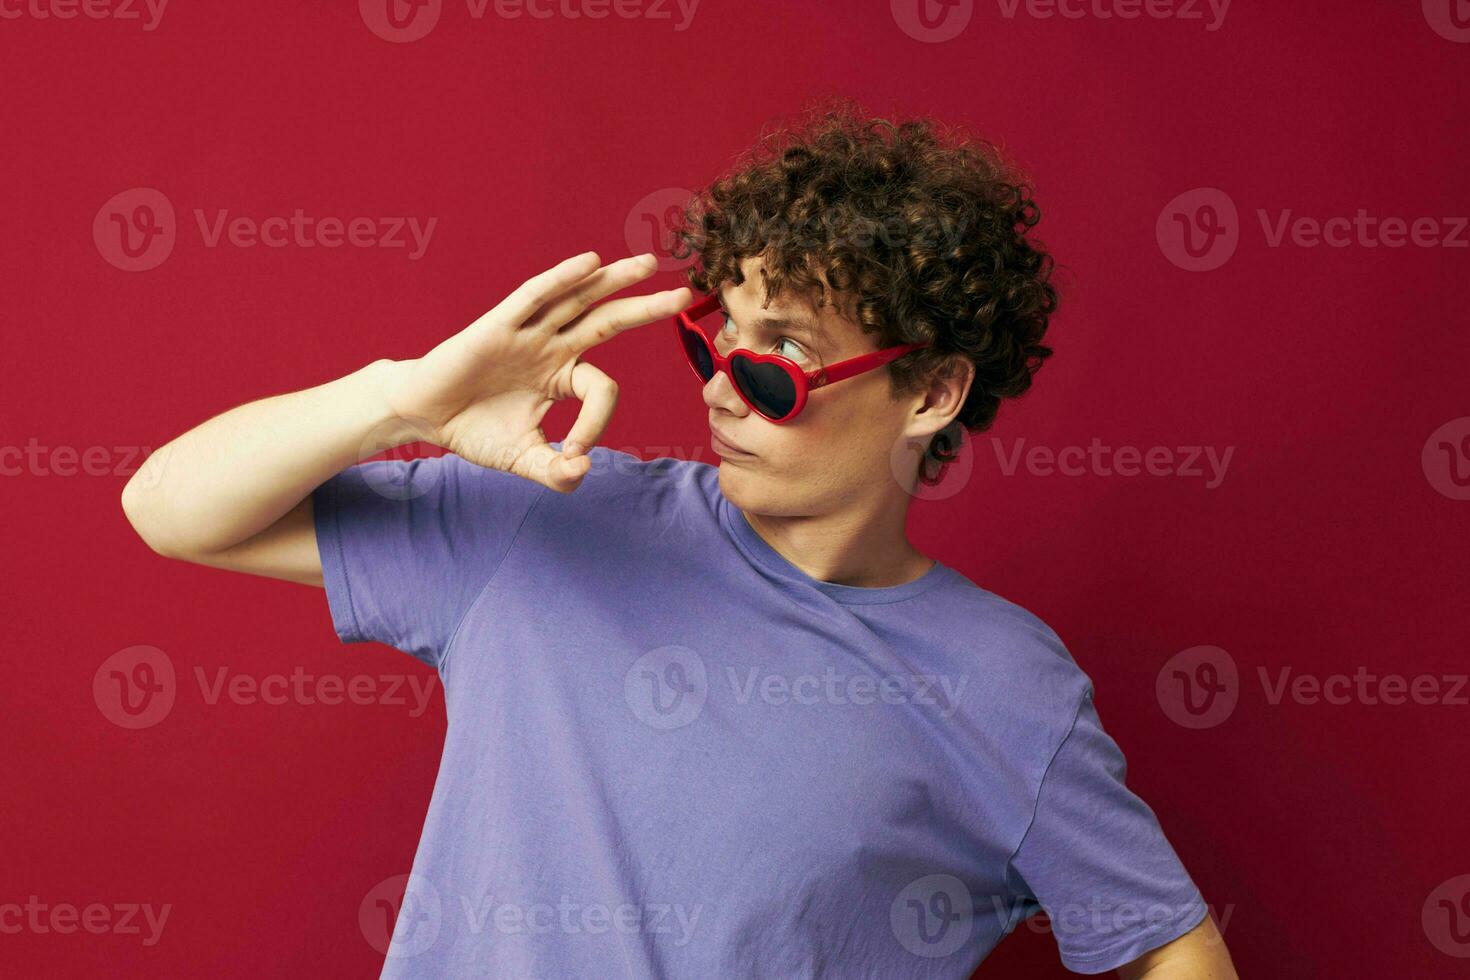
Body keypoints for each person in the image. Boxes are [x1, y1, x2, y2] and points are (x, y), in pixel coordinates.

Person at [121, 103, 1238, 978]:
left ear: (932, 391)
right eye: (715, 343)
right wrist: (402, 401)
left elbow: (1166, 939)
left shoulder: (1010, 688)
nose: (720, 393)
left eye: (776, 360)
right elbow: (169, 508)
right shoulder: (550, 515)